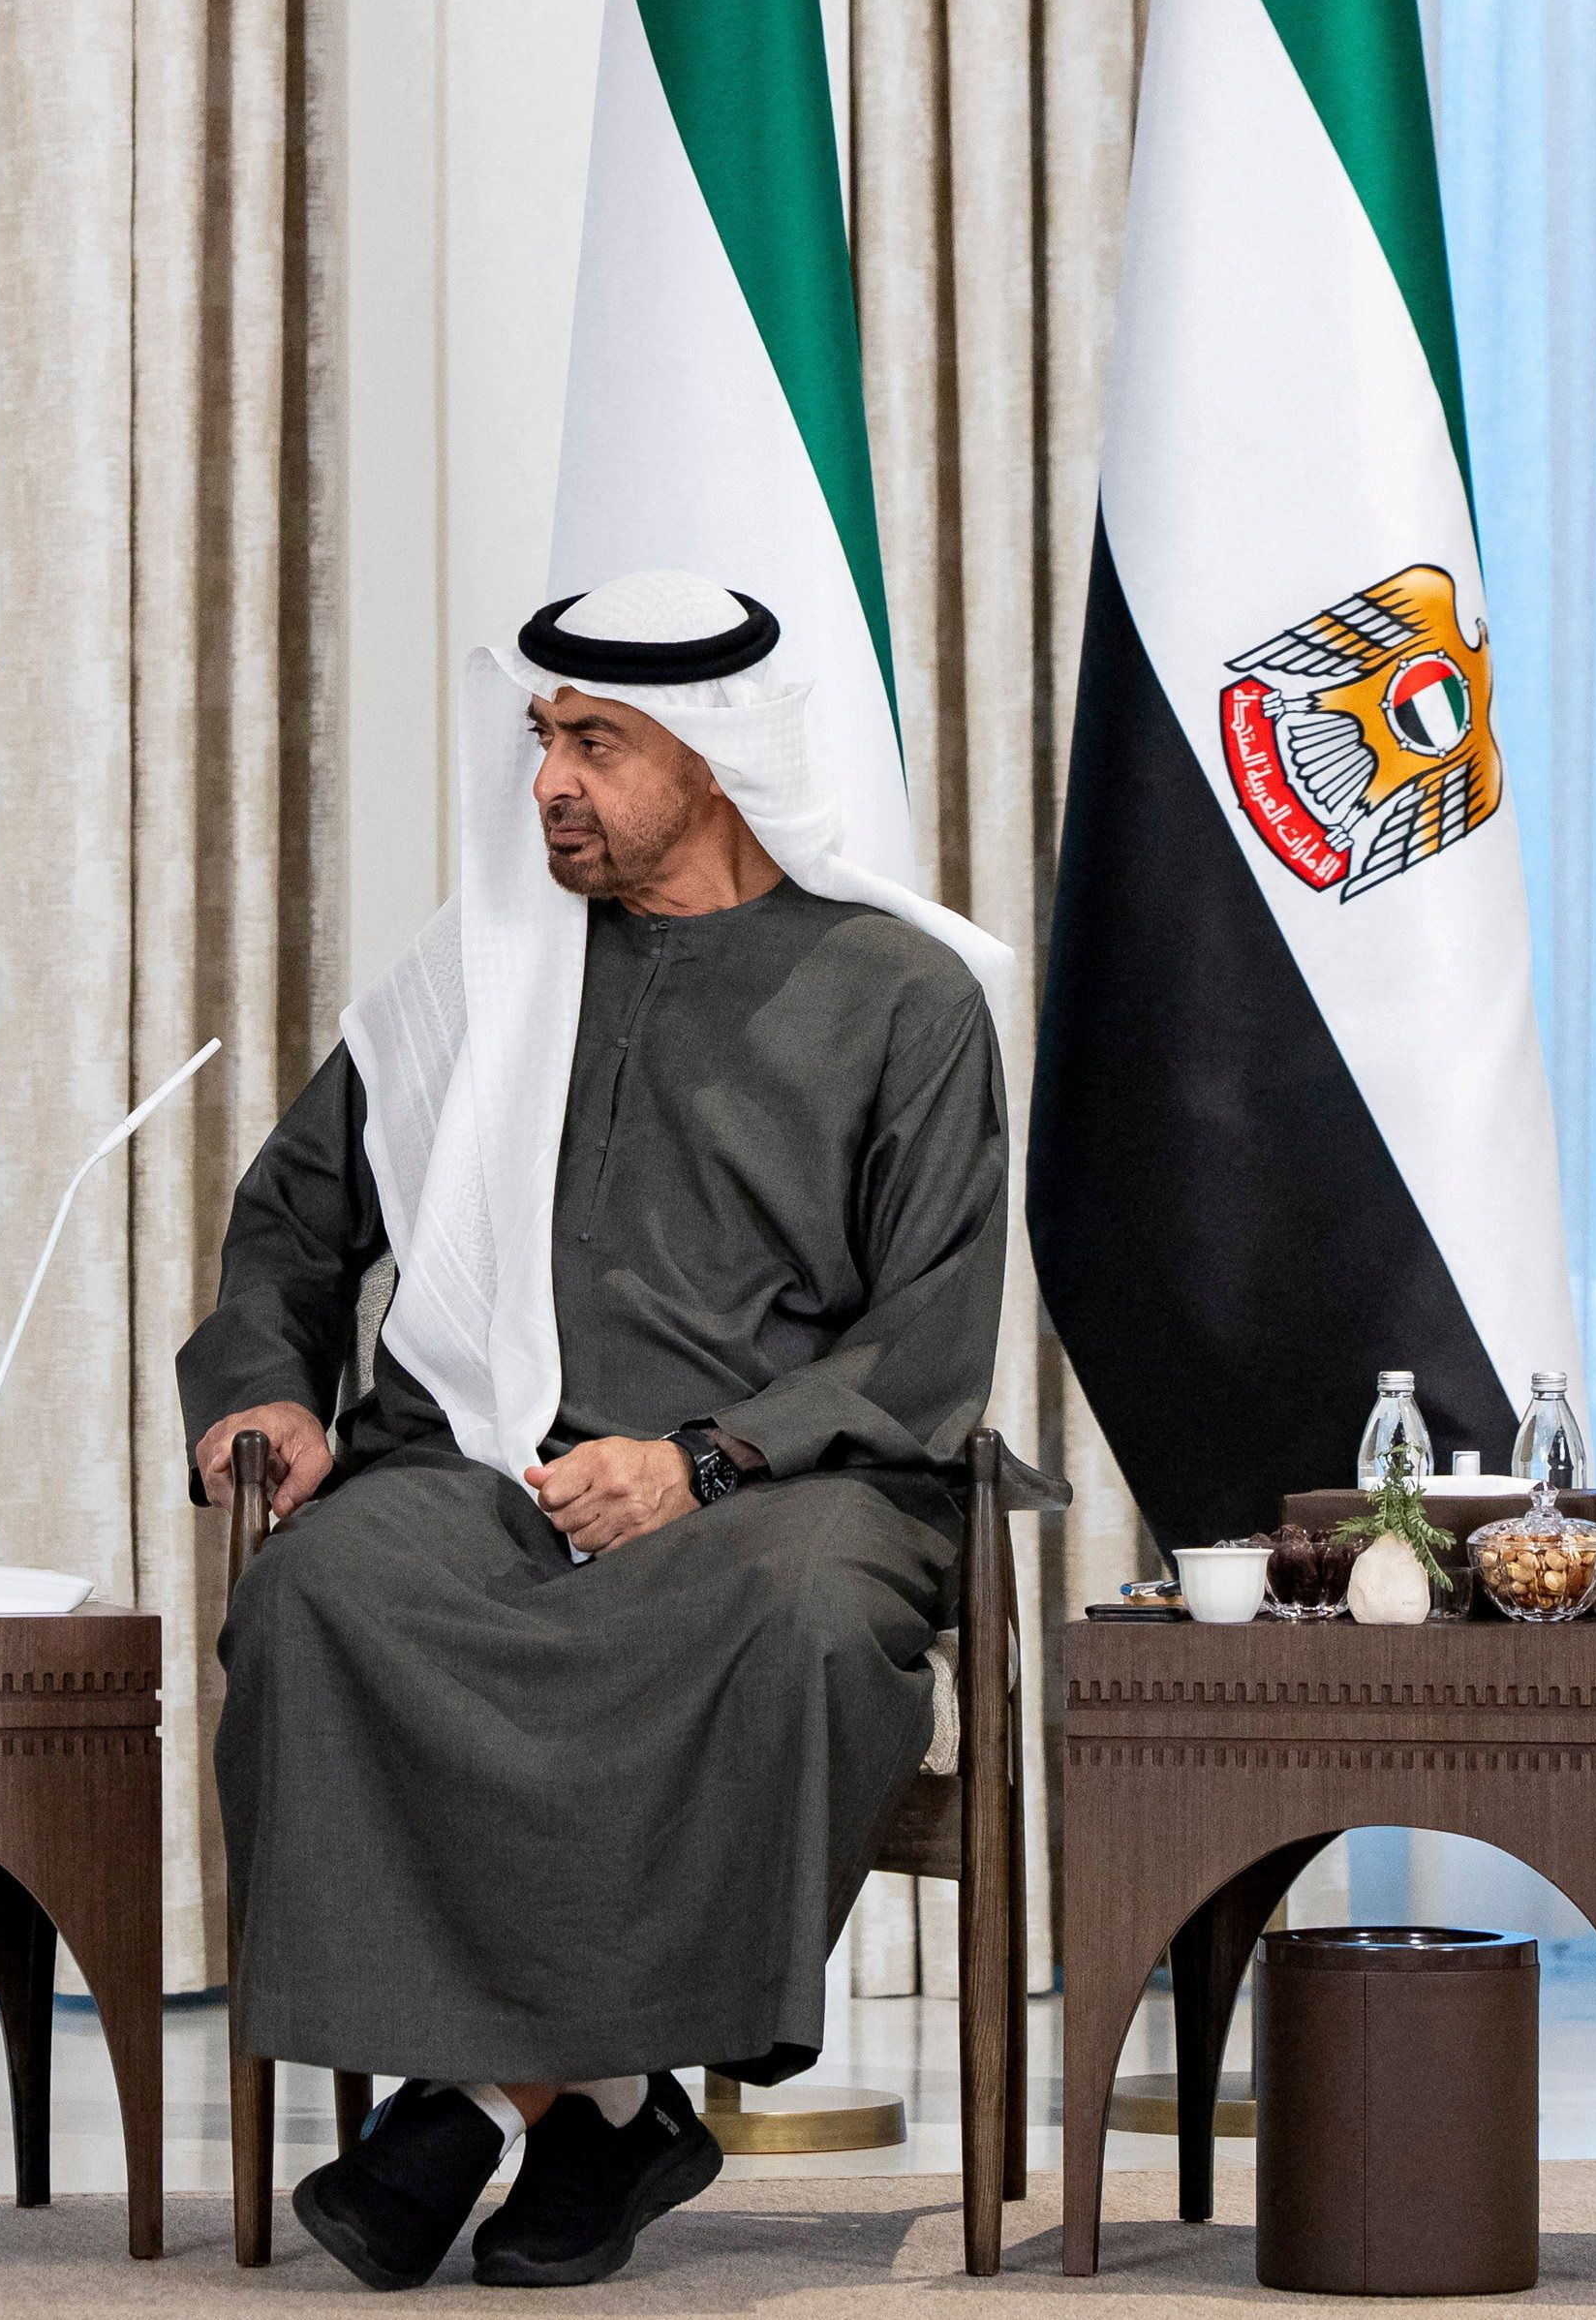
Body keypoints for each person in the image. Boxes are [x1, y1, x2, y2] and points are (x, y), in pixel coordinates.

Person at [179, 572, 1012, 2292]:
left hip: (791, 1485)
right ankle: (606, 2116)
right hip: (479, 1460)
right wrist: (265, 1381)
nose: (548, 776)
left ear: (710, 760)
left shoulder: (902, 996)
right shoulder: (477, 969)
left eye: (594, 741)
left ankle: (478, 2104)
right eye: (541, 736)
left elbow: (927, 1330)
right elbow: (293, 1218)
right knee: (323, 1591)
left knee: (796, 1621)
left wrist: (700, 1459)